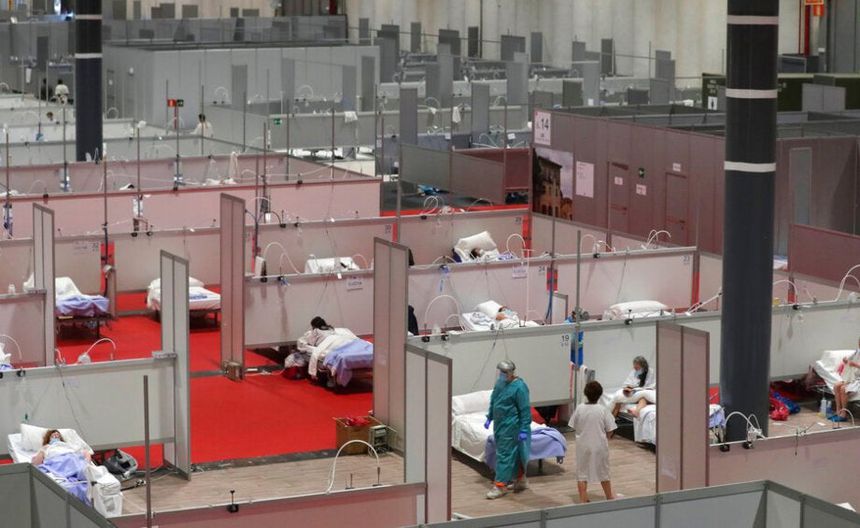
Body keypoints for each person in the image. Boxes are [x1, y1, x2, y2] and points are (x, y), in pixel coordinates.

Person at [484, 360, 531, 499]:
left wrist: (524, 429)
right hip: (500, 425)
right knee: (514, 455)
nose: (501, 374)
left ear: (511, 372)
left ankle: (500, 486)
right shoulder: (500, 383)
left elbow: (525, 410)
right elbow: (494, 400)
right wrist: (490, 417)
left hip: (511, 426)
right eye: (500, 372)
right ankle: (520, 479)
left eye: (503, 372)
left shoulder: (520, 387)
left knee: (504, 455)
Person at [571, 381, 617, 503]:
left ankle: (583, 499)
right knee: (604, 471)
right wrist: (606, 437)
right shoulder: (603, 410)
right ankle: (609, 497)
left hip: (583, 446)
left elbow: (573, 425)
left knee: (582, 473)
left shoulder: (579, 408)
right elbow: (610, 429)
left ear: (585, 393)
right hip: (600, 445)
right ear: (600, 394)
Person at [832, 337, 860, 422]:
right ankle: (838, 411)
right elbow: (848, 359)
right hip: (853, 377)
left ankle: (844, 413)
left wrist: (855, 365)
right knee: (836, 386)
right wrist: (845, 360)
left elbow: (855, 364)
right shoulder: (857, 352)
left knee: (843, 389)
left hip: (858, 378)